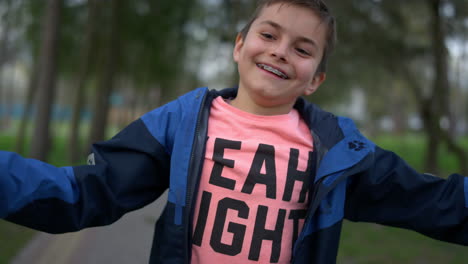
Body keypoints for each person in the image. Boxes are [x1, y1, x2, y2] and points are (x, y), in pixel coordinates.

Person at [1, 0, 467, 263]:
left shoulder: (339, 153)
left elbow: (434, 203)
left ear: (316, 78)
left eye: (303, 49)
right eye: (269, 35)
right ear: (239, 46)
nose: (282, 51)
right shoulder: (181, 122)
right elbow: (86, 193)